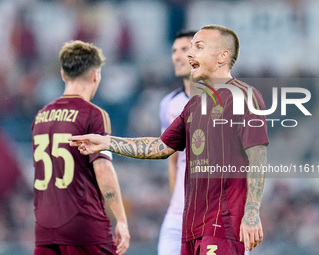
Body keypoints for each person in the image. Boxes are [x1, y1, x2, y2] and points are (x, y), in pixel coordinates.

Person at [69, 25, 269, 255]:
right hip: (192, 226)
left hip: (221, 225)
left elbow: (258, 155)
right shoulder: (194, 105)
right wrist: (106, 142)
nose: (189, 55)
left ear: (222, 56)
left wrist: (252, 213)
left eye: (199, 48)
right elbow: (160, 147)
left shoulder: (244, 97)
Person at [32, 40, 130, 255]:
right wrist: (121, 220)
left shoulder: (40, 117)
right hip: (83, 226)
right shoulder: (93, 115)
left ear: (63, 74)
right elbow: (102, 169)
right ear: (96, 74)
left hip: (45, 227)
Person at [158, 30, 196, 255]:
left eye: (184, 49)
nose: (177, 56)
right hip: (179, 215)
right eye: (174, 51)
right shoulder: (169, 104)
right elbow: (171, 160)